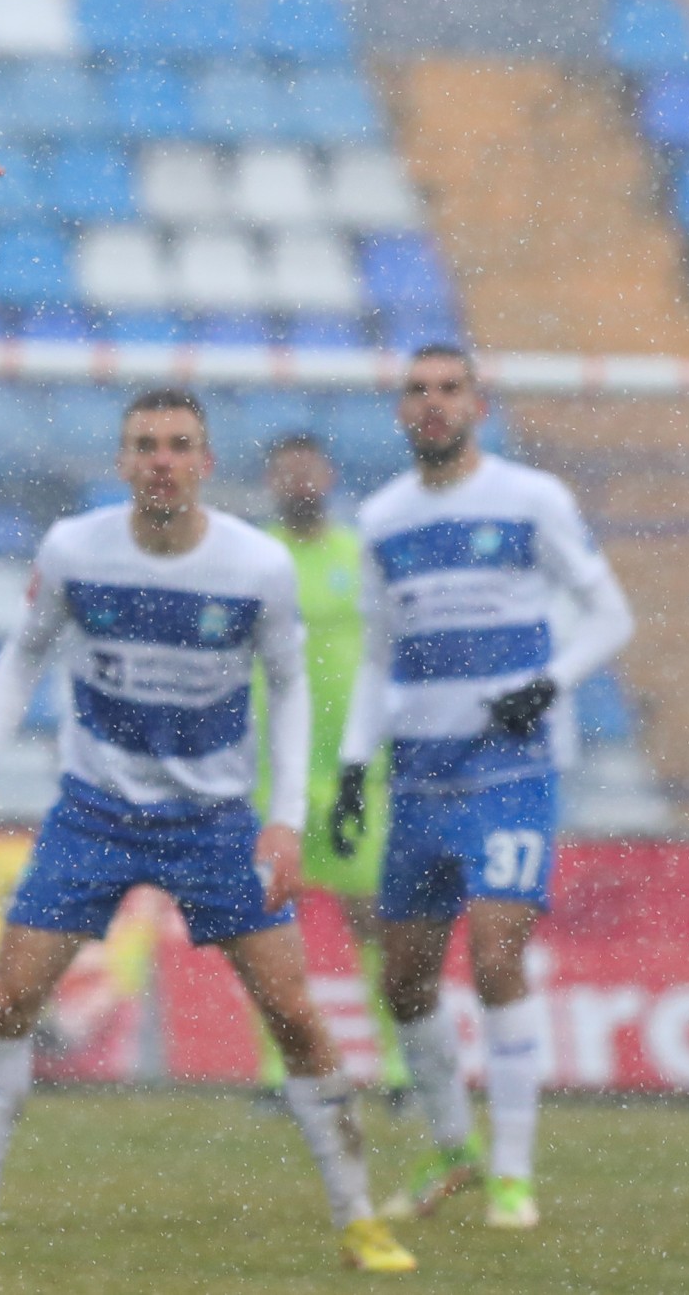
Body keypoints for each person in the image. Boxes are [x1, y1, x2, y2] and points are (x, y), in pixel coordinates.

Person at [0, 390, 416, 1275]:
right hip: (93, 811)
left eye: (178, 445)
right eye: (144, 445)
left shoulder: (253, 566)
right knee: (10, 997)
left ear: (205, 462)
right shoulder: (75, 551)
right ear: (123, 462)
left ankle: (360, 1220)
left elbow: (286, 689)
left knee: (294, 1012)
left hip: (212, 821)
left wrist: (282, 820)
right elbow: (23, 654)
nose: (161, 459)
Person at [332, 343, 635, 1231]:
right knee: (405, 983)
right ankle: (451, 1144)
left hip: (512, 769)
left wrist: (553, 679)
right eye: (418, 391)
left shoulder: (532, 499)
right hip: (419, 776)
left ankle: (512, 1171)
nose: (433, 404)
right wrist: (355, 765)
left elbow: (612, 615)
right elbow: (381, 658)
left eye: (449, 389)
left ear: (479, 403)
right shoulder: (382, 519)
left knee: (497, 954)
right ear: (400, 410)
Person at [252, 434, 408, 1101]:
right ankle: (278, 1069)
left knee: (373, 917)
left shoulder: (361, 555)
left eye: (309, 469)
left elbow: (391, 653)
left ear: (330, 474)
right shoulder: (253, 557)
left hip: (353, 769)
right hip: (272, 770)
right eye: (287, 472)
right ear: (271, 481)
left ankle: (396, 1066)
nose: (300, 482)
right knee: (268, 921)